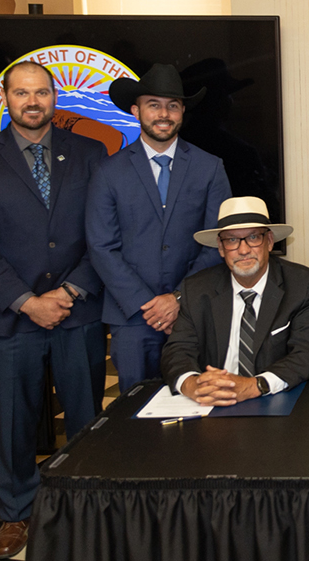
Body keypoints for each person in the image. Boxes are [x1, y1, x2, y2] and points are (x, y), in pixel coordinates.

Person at [0, 60, 107, 559]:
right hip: (9, 315)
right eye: (22, 93)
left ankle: (86, 507)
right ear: (6, 98)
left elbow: (103, 232)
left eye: (41, 92)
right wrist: (27, 302)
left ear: (54, 97)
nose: (33, 102)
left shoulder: (89, 152)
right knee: (14, 421)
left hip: (76, 310)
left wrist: (69, 292)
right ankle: (16, 511)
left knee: (86, 416)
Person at [85, 64, 231, 393]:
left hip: (195, 312)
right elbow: (101, 246)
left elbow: (218, 241)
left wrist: (177, 298)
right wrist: (148, 305)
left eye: (172, 106)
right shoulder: (108, 172)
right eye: (154, 105)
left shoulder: (210, 168)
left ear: (182, 113)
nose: (164, 114)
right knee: (136, 406)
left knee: (200, 402)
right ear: (136, 111)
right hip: (132, 317)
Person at [162, 197, 309, 403]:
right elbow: (177, 350)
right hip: (213, 400)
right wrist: (192, 385)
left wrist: (253, 386)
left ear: (269, 241)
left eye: (253, 237)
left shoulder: (302, 285)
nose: (243, 250)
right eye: (232, 240)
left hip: (278, 399)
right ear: (220, 248)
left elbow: (307, 354)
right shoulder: (196, 289)